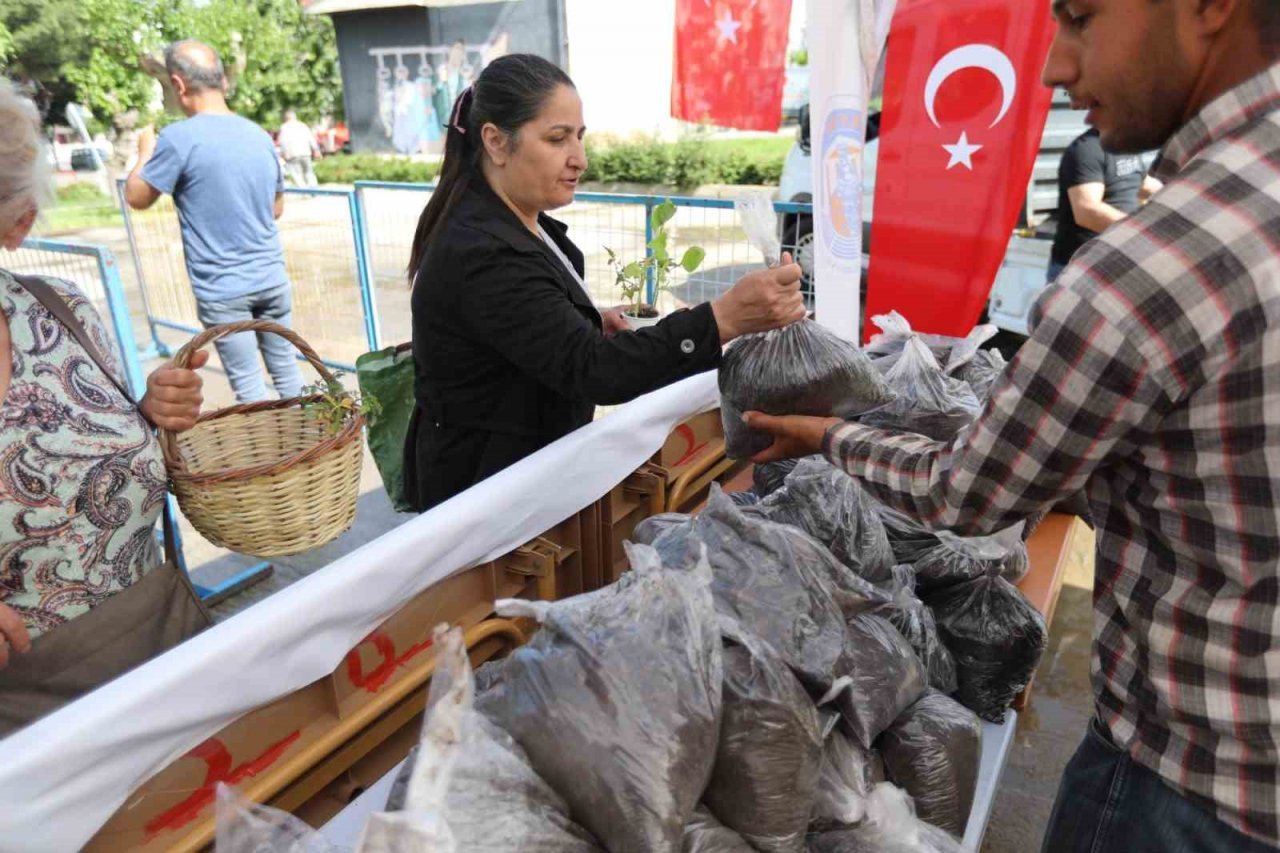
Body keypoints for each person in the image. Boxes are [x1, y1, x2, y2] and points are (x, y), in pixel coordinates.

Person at [743, 0, 1280, 850]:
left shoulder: (1154, 268)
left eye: (1081, 17)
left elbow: (967, 490)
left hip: (1185, 783)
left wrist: (825, 435)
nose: (1057, 66)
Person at [405, 54, 806, 511]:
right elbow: (595, 371)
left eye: (579, 136)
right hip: (483, 493)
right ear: (496, 142)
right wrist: (722, 319)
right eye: (557, 139)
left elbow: (531, 330)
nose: (580, 158)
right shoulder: (480, 250)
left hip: (526, 470)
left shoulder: (525, 222)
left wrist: (585, 322)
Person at [0, 81, 211, 734]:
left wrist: (148, 416)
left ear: (18, 222)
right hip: (30, 730)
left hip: (169, 665)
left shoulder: (62, 313)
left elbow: (86, 465)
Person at [124, 40, 304, 405]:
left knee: (250, 388)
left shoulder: (178, 138)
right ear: (222, 78)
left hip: (223, 290)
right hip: (271, 278)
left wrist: (144, 153)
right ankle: (311, 448)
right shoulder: (258, 135)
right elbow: (276, 208)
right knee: (288, 374)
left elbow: (136, 197)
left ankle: (270, 460)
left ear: (178, 84)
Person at [1047, 127, 1162, 281]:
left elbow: (1142, 184)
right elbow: (1087, 211)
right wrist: (1141, 232)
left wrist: (1180, 193)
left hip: (1117, 262)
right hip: (1083, 270)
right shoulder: (1087, 149)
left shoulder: (1125, 145)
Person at [278, 108, 321, 188]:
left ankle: (304, 192)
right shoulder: (302, 125)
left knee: (297, 174)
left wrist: (284, 153)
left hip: (292, 154)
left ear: (285, 118)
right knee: (309, 172)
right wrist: (316, 149)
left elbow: (283, 142)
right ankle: (314, 189)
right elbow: (311, 138)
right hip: (305, 152)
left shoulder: (284, 127)